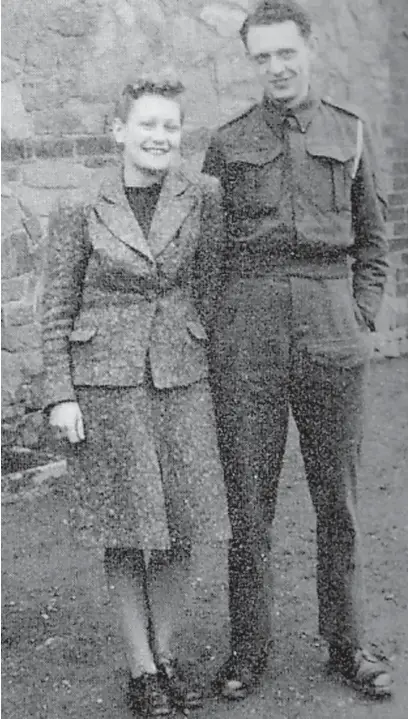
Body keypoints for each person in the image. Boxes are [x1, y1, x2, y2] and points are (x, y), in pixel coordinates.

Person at [202, 0, 392, 701]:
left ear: (308, 51)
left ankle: (347, 641)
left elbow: (373, 242)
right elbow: (210, 250)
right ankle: (247, 647)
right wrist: (221, 330)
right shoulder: (226, 142)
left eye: (286, 53)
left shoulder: (350, 130)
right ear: (249, 61)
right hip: (247, 330)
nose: (275, 67)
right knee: (247, 502)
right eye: (261, 56)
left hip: (328, 320)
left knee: (334, 499)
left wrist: (357, 312)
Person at [42, 72, 230, 717]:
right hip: (106, 385)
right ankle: (141, 670)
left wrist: (199, 341)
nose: (159, 136)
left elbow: (212, 284)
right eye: (147, 125)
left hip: (183, 376)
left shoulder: (203, 196)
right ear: (118, 131)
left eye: (170, 126)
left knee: (185, 524)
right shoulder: (79, 206)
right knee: (126, 529)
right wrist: (60, 394)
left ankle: (168, 656)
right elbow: (55, 308)